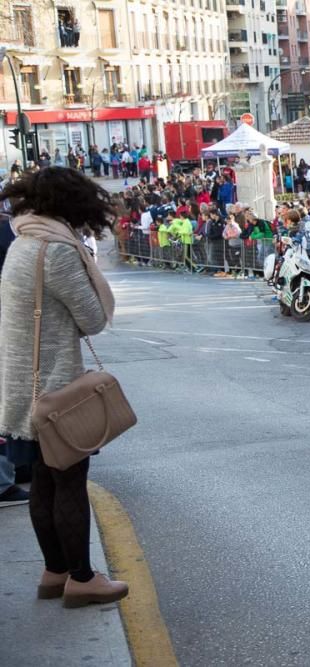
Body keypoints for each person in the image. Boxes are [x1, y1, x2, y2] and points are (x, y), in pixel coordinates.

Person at [0, 167, 129, 606]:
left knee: (43, 480)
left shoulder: (22, 241)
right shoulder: (56, 251)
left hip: (22, 386)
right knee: (70, 481)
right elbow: (93, 319)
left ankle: (55, 572)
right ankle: (82, 577)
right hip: (56, 390)